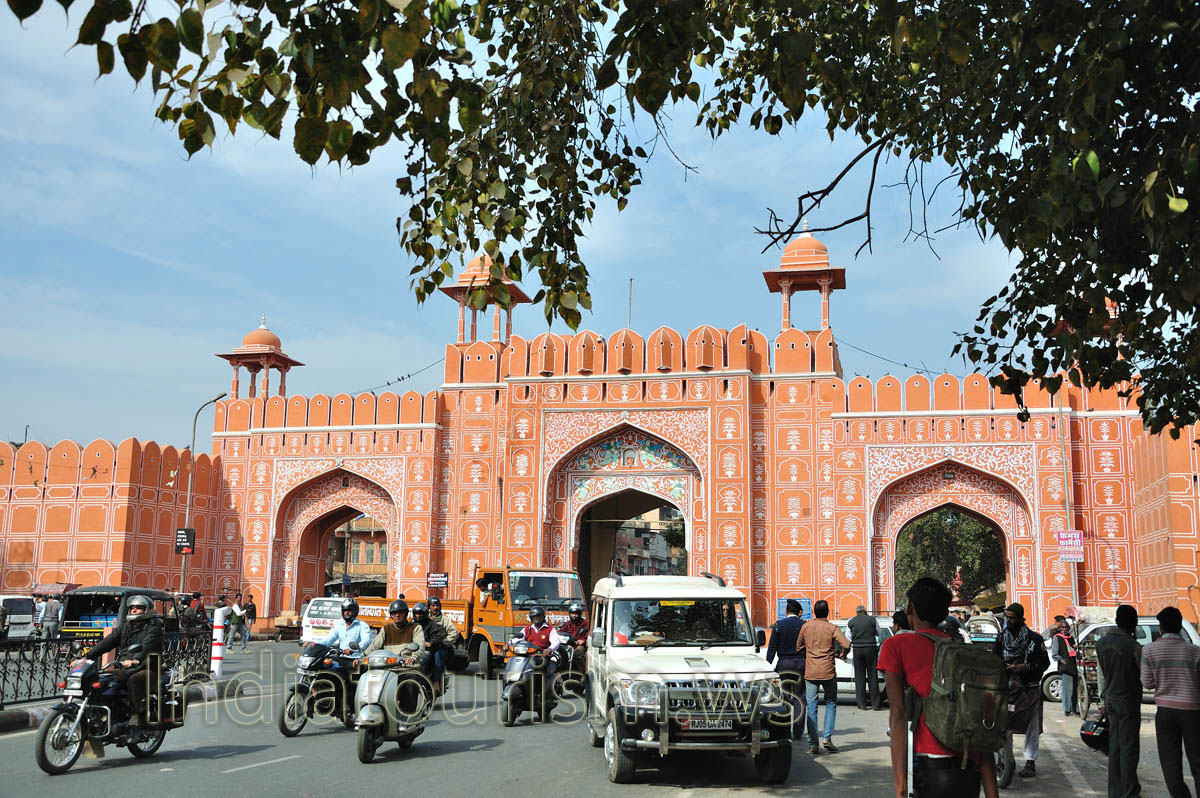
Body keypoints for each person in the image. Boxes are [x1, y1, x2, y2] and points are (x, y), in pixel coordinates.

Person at [879, 577, 999, 798]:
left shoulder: (896, 645)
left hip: (930, 772)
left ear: (910, 608)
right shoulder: (963, 651)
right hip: (968, 773)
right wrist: (992, 793)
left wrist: (900, 788)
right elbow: (981, 726)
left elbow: (898, 715)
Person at [1141, 605, 1200, 798]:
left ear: (1161, 627)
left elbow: (1147, 683)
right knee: (1197, 760)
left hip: (1165, 711)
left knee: (1170, 762)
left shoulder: (1149, 650)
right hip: (1192, 711)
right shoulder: (1195, 651)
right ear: (1179, 626)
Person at [79, 595, 164, 726]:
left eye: (139, 608)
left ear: (148, 610)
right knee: (102, 680)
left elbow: (147, 646)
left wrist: (135, 659)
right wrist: (86, 657)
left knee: (134, 680)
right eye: (132, 608)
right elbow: (108, 642)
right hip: (126, 667)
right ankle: (105, 715)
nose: (134, 610)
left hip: (148, 668)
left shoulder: (154, 627)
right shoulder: (126, 625)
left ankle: (134, 716)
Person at [991, 602, 1048, 779]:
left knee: (1032, 724)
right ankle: (1006, 760)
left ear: (1020, 618)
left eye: (1012, 618)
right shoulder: (1001, 638)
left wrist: (1026, 667)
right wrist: (1003, 667)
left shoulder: (1035, 639)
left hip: (1029, 688)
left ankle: (1030, 762)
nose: (1008, 621)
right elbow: (994, 660)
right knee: (1004, 724)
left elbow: (1044, 663)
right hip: (1007, 688)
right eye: (1007, 617)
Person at [1097, 604, 1143, 798]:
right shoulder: (1134, 646)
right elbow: (1144, 676)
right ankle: (1130, 791)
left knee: (1115, 746)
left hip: (1111, 698)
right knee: (1129, 747)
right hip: (1128, 700)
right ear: (1133, 623)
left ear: (1117, 621)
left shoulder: (1101, 643)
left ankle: (1115, 791)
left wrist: (1102, 700)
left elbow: (1101, 676)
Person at [797, 599, 850, 754]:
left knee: (811, 706)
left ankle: (813, 743)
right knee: (831, 703)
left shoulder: (806, 627)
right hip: (828, 670)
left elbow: (798, 646)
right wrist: (842, 653)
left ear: (814, 612)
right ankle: (827, 738)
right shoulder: (832, 627)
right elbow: (846, 644)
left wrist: (808, 653)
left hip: (811, 671)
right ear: (827, 612)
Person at [766, 599, 808, 737]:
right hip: (801, 664)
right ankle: (798, 731)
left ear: (786, 611)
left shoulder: (779, 625)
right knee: (799, 698)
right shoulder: (804, 625)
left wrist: (768, 666)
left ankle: (783, 731)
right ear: (799, 612)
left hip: (784, 664)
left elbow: (772, 648)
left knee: (783, 697)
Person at [848, 604, 882, 710]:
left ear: (857, 612)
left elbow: (848, 638)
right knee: (872, 676)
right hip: (871, 649)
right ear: (865, 611)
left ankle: (861, 704)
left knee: (859, 677)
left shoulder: (851, 621)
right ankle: (875, 704)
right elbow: (879, 632)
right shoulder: (872, 619)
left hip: (857, 650)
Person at [412, 602, 447, 691]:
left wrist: (430, 643)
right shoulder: (411, 624)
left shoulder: (431, 624)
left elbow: (437, 636)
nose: (418, 616)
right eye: (416, 614)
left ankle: (436, 681)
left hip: (429, 649)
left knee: (436, 657)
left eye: (420, 614)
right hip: (413, 648)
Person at [1051, 617, 1080, 716]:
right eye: (1063, 628)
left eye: (1066, 627)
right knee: (1067, 689)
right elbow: (1054, 654)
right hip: (1065, 666)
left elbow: (1073, 649)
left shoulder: (1071, 637)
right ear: (1060, 628)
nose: (1064, 629)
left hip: (1072, 664)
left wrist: (1075, 647)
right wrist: (1062, 660)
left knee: (1075, 689)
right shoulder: (1057, 638)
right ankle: (1067, 709)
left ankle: (1075, 708)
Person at [427, 597, 460, 682]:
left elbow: (454, 633)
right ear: (429, 607)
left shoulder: (443, 619)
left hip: (441, 647)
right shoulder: (425, 618)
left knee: (437, 656)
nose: (435, 608)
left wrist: (444, 642)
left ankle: (436, 681)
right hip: (427, 646)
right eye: (433, 605)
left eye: (437, 605)